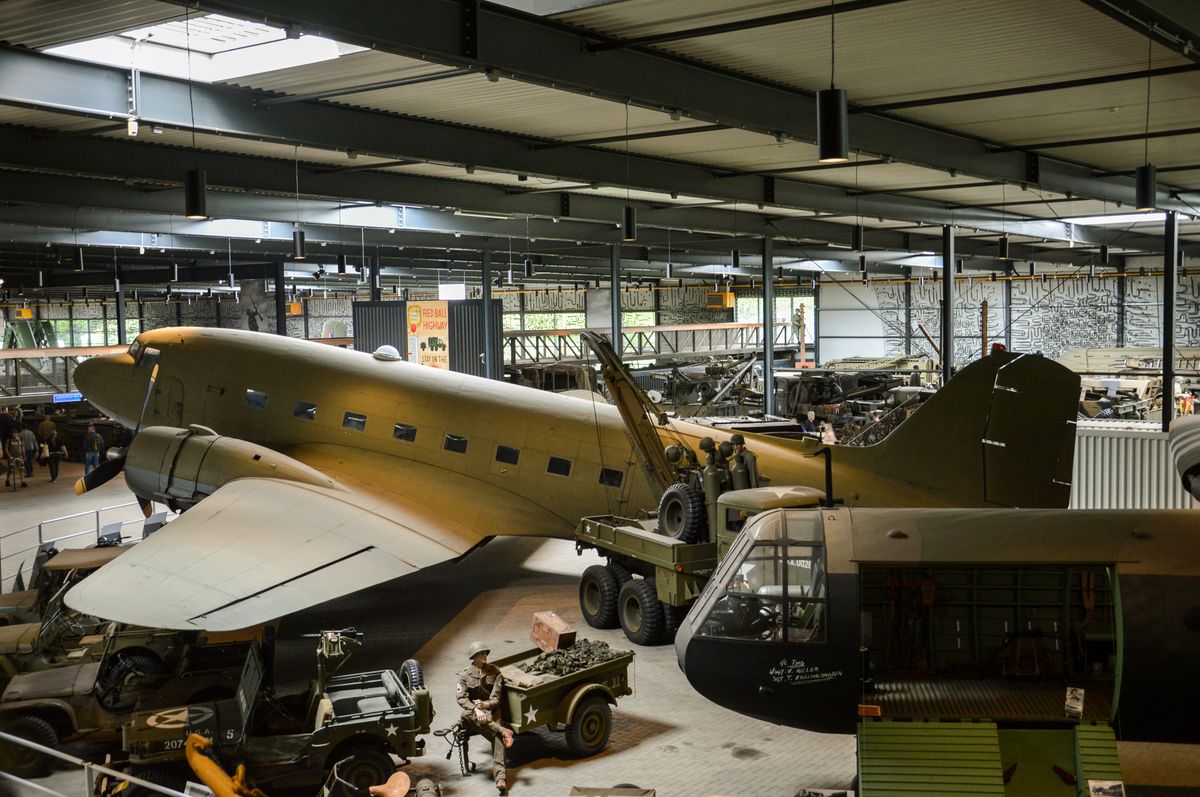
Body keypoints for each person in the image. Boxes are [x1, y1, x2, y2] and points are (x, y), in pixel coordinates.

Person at [456, 641, 514, 794]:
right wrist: (476, 709)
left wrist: (484, 705)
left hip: (490, 711)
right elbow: (461, 698)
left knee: (498, 738)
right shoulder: (464, 675)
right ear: (473, 656)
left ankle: (500, 778)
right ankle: (503, 730)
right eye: (481, 653)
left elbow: (496, 699)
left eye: (486, 653)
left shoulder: (495, 671)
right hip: (472, 713)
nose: (485, 656)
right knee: (465, 715)